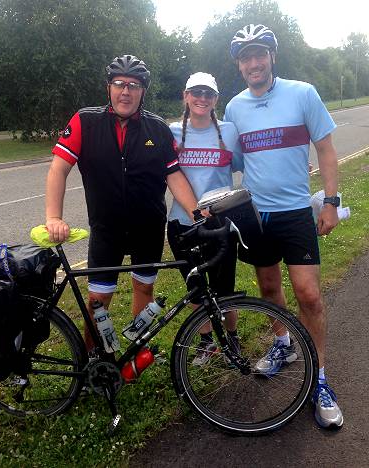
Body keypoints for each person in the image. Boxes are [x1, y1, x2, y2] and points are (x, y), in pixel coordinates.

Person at [225, 24, 343, 428]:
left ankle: (321, 379)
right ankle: (283, 344)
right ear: (239, 65)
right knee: (270, 288)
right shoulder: (234, 107)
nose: (253, 63)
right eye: (245, 57)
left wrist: (330, 201)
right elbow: (234, 159)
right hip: (256, 214)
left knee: (309, 295)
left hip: (295, 212)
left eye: (260, 54)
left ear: (272, 57)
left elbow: (326, 149)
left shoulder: (302, 92)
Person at [45, 54, 197, 351]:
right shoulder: (85, 121)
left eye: (134, 85)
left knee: (144, 288)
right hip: (107, 230)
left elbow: (174, 175)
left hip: (148, 228)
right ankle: (91, 361)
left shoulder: (157, 128)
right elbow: (58, 169)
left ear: (142, 92)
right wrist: (54, 217)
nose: (125, 91)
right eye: (119, 84)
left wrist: (197, 213)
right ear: (109, 88)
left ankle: (135, 355)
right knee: (97, 301)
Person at [167, 72, 243, 366]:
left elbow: (249, 164)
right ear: (185, 96)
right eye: (196, 92)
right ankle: (207, 343)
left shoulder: (230, 131)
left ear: (216, 100)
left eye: (208, 94)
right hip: (182, 225)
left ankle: (232, 338)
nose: (202, 98)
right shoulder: (171, 132)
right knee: (196, 289)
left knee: (225, 290)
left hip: (220, 225)